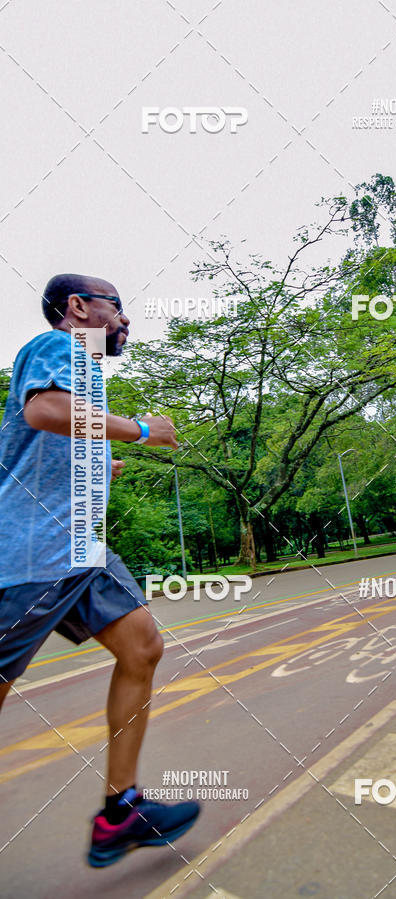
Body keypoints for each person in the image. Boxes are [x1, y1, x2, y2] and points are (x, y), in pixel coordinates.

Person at [0, 274, 201, 867]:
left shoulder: (87, 374)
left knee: (142, 646)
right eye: (117, 306)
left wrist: (97, 465)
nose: (125, 319)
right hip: (30, 558)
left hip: (81, 554)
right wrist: (141, 431)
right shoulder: (60, 347)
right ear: (78, 307)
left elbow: (54, 433)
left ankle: (121, 813)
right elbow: (44, 410)